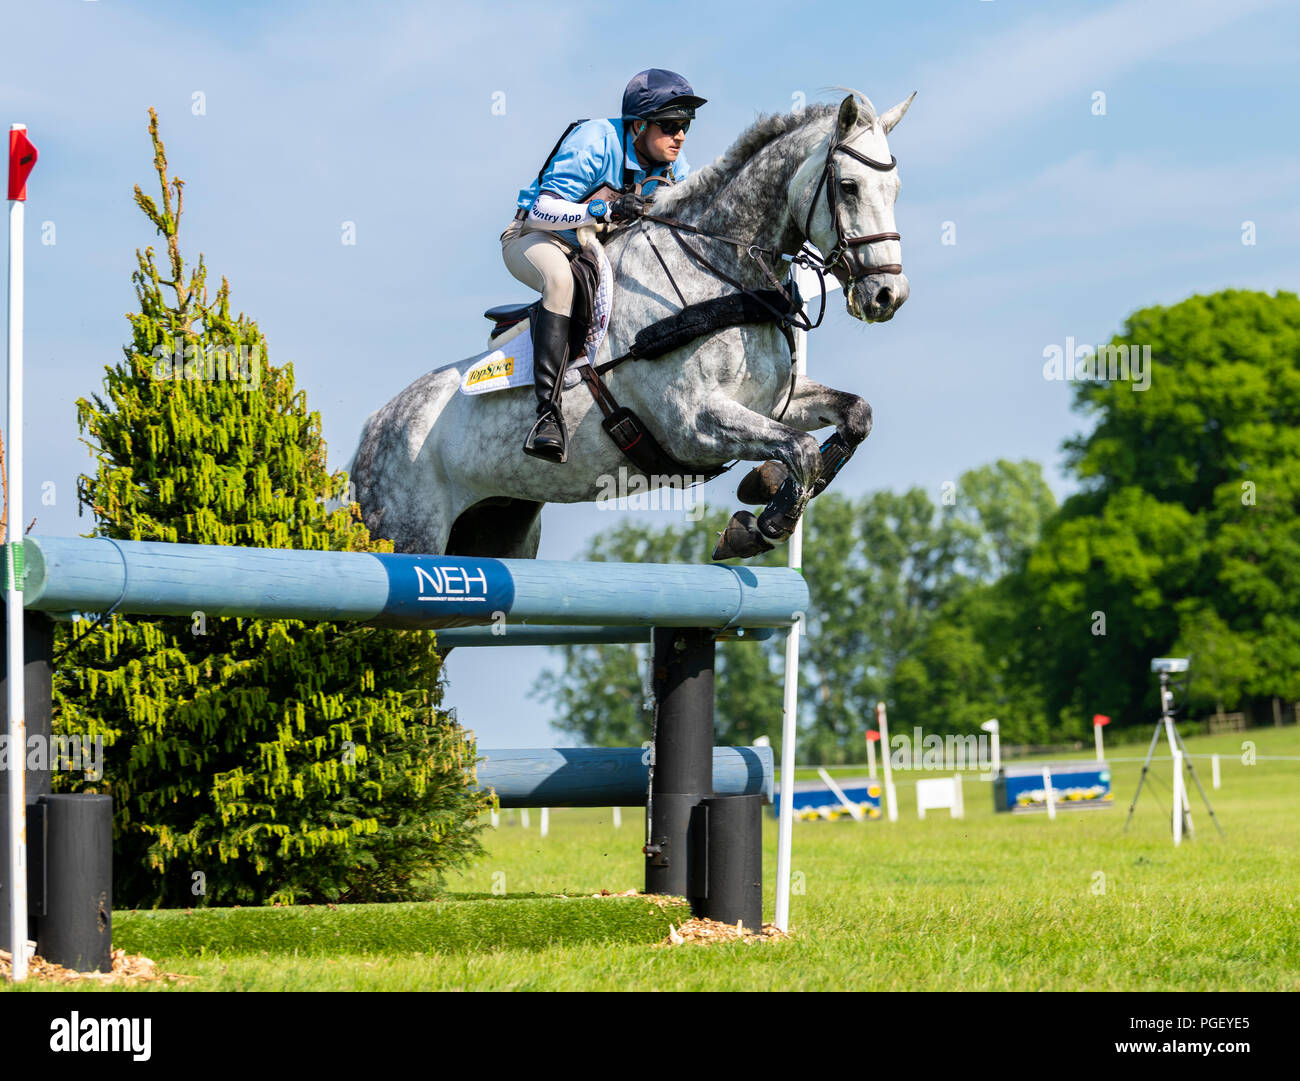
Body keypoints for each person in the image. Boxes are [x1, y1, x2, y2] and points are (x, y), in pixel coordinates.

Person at [503, 68, 706, 462]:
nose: (679, 135)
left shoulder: (674, 168)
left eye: (685, 125)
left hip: (595, 256)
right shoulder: (595, 141)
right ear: (639, 126)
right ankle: (546, 414)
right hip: (537, 238)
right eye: (669, 126)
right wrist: (606, 208)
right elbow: (541, 210)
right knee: (561, 280)